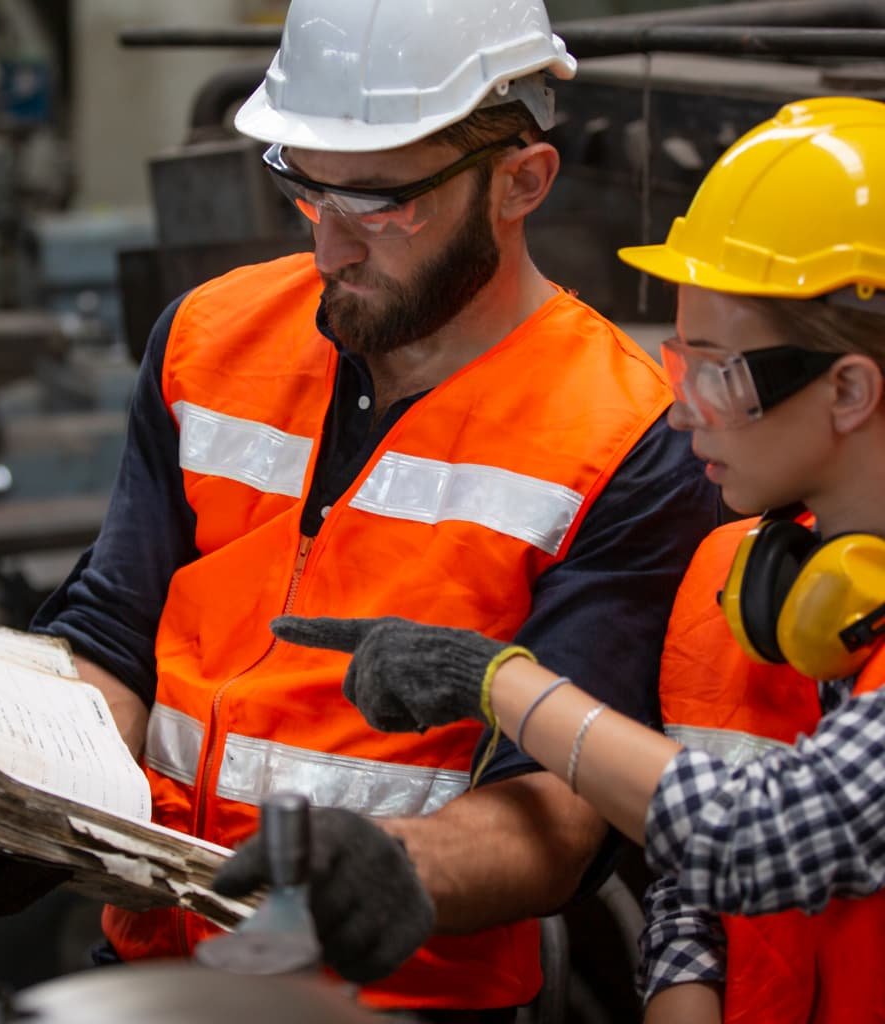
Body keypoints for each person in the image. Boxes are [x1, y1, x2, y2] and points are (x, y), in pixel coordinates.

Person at [0, 0, 717, 1017]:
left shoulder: (627, 436)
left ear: (520, 181)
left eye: (381, 204)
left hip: (406, 996)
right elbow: (115, 632)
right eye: (302, 184)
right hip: (158, 966)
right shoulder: (210, 339)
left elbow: (557, 806)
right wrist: (28, 800)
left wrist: (397, 868)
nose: (332, 247)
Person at [266, 96, 885, 1022]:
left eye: (718, 372)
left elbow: (754, 835)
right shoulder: (749, 576)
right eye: (681, 363)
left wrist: (500, 685)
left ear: (848, 387)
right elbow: (687, 877)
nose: (682, 413)